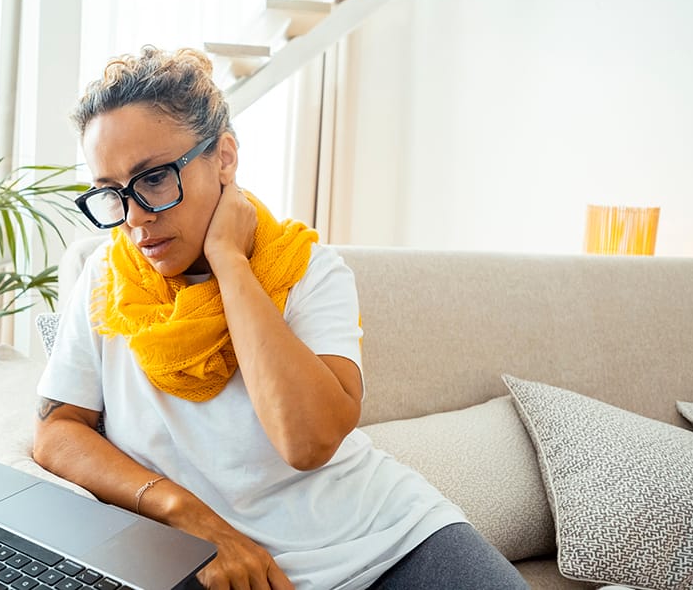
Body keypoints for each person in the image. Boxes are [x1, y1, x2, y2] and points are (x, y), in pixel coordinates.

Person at [33, 46, 528, 590]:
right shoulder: (105, 284)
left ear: (223, 157)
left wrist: (230, 263)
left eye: (154, 179)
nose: (134, 218)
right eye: (112, 193)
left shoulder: (307, 270)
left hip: (392, 543)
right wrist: (182, 511)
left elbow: (306, 441)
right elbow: (58, 433)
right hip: (225, 566)